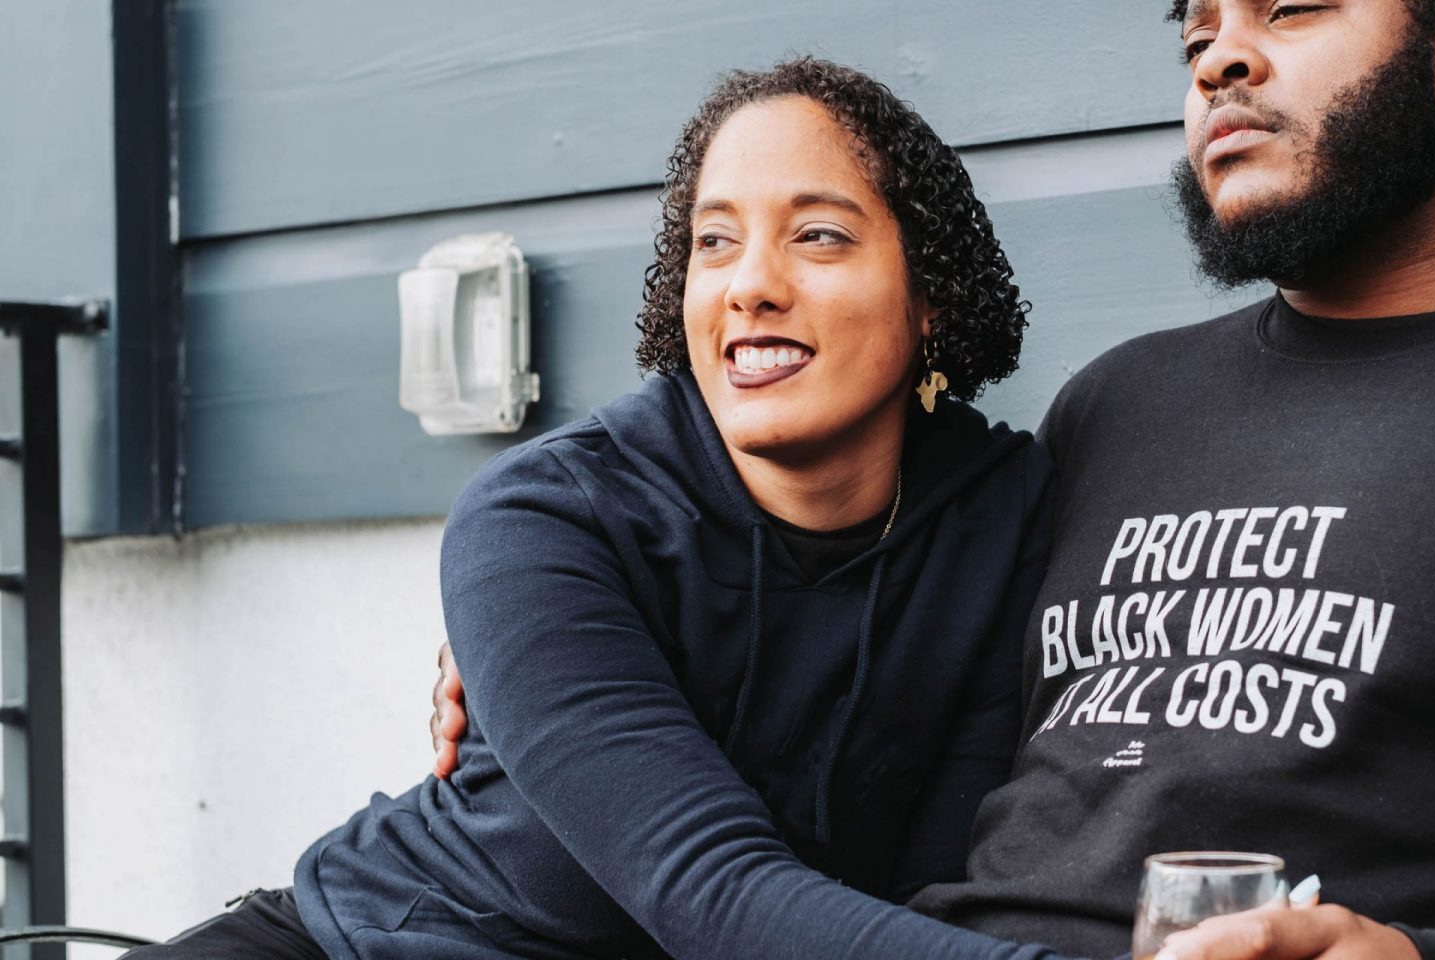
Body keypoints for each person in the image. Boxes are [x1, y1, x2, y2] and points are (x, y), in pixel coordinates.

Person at [439, 2, 1435, 958]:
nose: (1219, 58)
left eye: (1291, 9)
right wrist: (522, 646)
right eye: (1198, 30)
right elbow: (875, 653)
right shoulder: (1115, 411)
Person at [127, 58, 1094, 960]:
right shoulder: (543, 517)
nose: (751, 286)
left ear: (930, 296)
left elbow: (930, 896)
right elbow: (706, 887)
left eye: (818, 235)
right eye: (715, 242)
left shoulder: (997, 511)